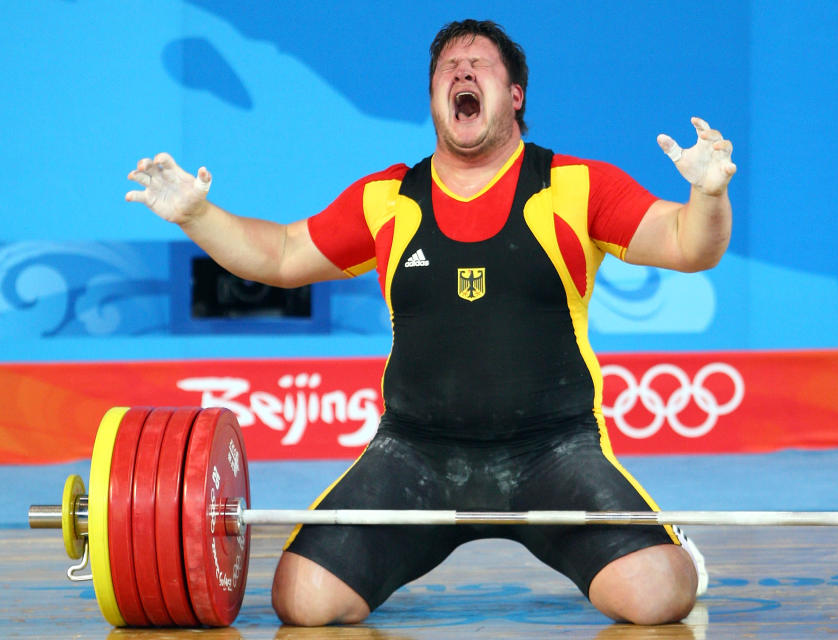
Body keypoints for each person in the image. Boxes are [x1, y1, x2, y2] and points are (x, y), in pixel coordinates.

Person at [126, 19, 735, 627]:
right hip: (414, 455)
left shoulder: (575, 187)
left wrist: (708, 198)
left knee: (658, 594)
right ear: (435, 97)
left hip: (553, 453)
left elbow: (688, 245)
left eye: (480, 65)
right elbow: (283, 254)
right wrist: (197, 215)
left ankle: (670, 544)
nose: (462, 72)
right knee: (302, 601)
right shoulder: (388, 198)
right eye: (449, 67)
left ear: (515, 95)